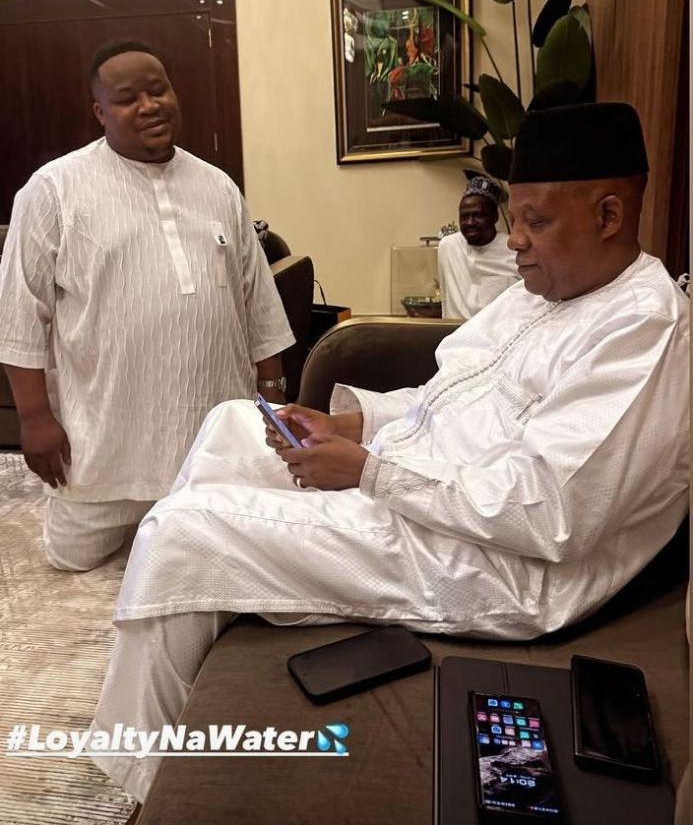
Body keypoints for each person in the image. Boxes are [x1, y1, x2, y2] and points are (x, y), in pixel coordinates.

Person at [90, 102, 688, 808]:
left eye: (536, 221)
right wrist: (352, 424)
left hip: (500, 566)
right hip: (431, 496)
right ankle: (204, 614)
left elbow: (549, 515)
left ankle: (135, 783)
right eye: (514, 218)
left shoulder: (642, 332)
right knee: (231, 424)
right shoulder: (542, 295)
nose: (514, 240)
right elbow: (444, 398)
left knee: (178, 531)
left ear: (609, 216)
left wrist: (368, 472)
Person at [0, 40, 294, 572]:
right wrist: (36, 418)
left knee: (221, 556)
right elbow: (20, 311)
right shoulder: (53, 191)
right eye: (128, 98)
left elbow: (258, 303)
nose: (149, 106)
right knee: (74, 563)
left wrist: (271, 400)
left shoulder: (218, 186)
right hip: (105, 444)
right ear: (100, 112)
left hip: (212, 438)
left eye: (158, 90)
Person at [437, 175, 519, 319]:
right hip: (454, 333)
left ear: (495, 216)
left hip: (497, 336)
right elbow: (445, 299)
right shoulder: (449, 247)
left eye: (478, 215)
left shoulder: (514, 252)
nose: (470, 222)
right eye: (464, 216)